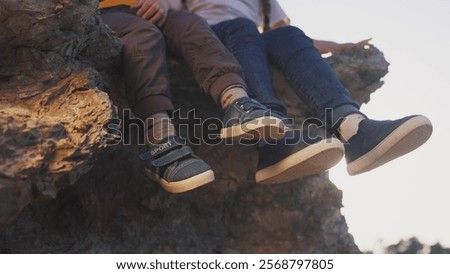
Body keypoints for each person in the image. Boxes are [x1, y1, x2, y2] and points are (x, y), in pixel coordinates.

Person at [164, 0, 433, 183]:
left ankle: (354, 130)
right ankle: (272, 141)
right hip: (208, 40)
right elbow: (168, 16)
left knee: (288, 34)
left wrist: (335, 46)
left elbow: (280, 32)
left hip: (249, 40)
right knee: (243, 27)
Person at [98, 0, 292, 193]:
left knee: (192, 24)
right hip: (105, 11)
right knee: (143, 35)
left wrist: (163, 3)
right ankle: (161, 140)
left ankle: (237, 102)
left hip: (154, 10)